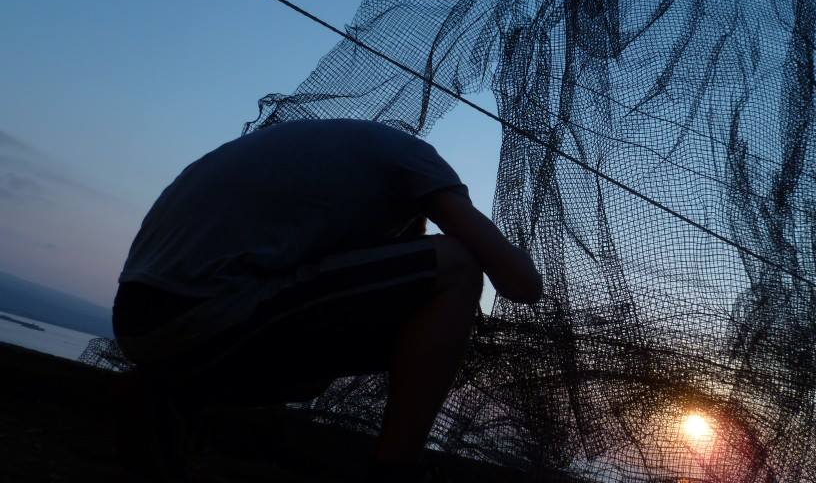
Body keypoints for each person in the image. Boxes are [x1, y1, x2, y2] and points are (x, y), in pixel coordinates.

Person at [110, 119, 542, 481]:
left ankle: (173, 394)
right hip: (200, 311)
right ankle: (395, 471)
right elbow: (522, 285)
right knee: (457, 265)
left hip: (140, 318)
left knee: (319, 372)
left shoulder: (335, 163)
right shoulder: (418, 160)